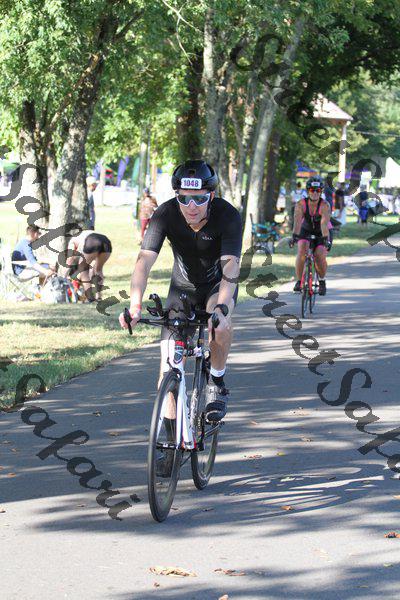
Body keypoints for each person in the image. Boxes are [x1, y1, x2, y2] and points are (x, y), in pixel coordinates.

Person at [119, 159, 242, 423]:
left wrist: (222, 308)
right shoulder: (165, 213)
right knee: (168, 370)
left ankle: (216, 381)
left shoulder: (227, 215)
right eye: (184, 199)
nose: (191, 206)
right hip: (182, 290)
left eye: (199, 199)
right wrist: (135, 306)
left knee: (219, 325)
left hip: (217, 286)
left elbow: (231, 265)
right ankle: (171, 437)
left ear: (211, 196)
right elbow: (143, 262)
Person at [291, 175, 331, 296]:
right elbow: (297, 222)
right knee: (301, 250)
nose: (315, 193)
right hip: (305, 230)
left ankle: (322, 281)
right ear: (308, 191)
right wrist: (294, 236)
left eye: (318, 190)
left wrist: (326, 240)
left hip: (322, 232)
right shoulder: (301, 204)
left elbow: (324, 225)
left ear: (321, 191)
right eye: (312, 190)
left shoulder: (325, 205)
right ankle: (299, 281)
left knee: (319, 255)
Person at [58, 230, 112, 302]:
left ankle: (90, 298)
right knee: (98, 269)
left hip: (92, 240)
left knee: (83, 269)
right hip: (106, 241)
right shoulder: (84, 234)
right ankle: (98, 297)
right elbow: (92, 265)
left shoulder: (72, 240)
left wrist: (63, 277)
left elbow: (70, 260)